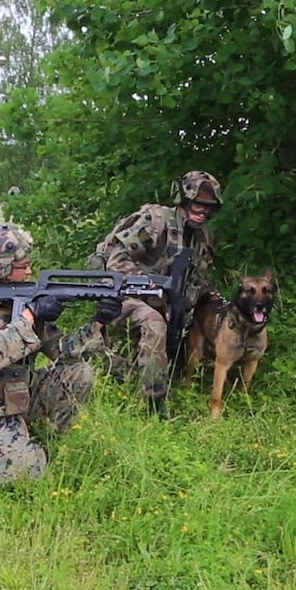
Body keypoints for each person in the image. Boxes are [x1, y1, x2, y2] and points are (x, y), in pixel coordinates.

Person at [0, 224, 121, 481]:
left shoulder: (23, 304)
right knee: (25, 473)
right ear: (0, 268)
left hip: (17, 395)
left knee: (78, 373)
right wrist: (30, 317)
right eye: (22, 266)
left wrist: (98, 323)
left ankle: (51, 440)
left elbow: (62, 352)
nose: (29, 271)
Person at [87, 171, 222, 418]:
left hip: (169, 303)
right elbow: (117, 262)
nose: (203, 211)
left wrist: (208, 296)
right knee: (154, 324)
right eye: (197, 204)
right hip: (123, 293)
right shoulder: (156, 222)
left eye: (208, 207)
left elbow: (197, 280)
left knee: (172, 339)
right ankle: (153, 407)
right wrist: (155, 291)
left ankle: (142, 373)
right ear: (183, 199)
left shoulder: (202, 237)